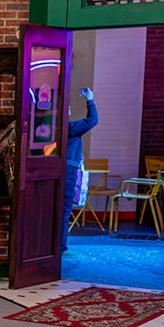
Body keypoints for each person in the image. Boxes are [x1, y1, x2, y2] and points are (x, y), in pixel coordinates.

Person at [62, 86, 98, 251]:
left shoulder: (48, 129)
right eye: (66, 107)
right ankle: (61, 246)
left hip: (59, 168)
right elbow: (92, 120)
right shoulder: (68, 128)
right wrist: (89, 100)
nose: (69, 108)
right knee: (64, 209)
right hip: (68, 170)